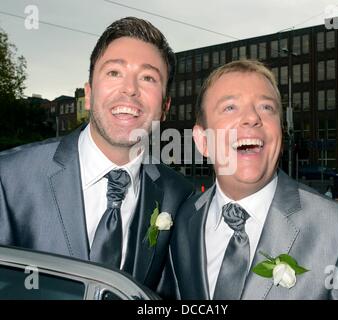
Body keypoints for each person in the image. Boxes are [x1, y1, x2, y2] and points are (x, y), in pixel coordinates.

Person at [0, 17, 193, 293]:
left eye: (148, 77)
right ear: (88, 94)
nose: (130, 89)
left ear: (164, 107)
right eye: (114, 72)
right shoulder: (9, 178)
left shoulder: (178, 196)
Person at [160, 59, 338, 300]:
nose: (251, 118)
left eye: (266, 107)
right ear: (203, 141)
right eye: (230, 107)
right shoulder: (182, 221)